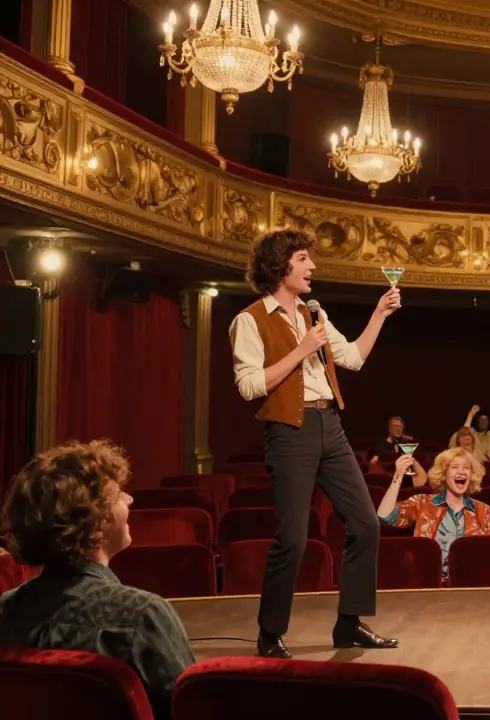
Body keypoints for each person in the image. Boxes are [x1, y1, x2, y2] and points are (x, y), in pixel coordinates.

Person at [229, 228, 399, 658]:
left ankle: (349, 624)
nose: (313, 267)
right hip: (290, 433)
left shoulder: (313, 313)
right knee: (293, 539)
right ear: (280, 266)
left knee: (364, 523)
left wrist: (379, 313)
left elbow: (354, 358)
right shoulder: (249, 319)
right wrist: (302, 349)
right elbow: (249, 386)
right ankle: (270, 634)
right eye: (304, 259)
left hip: (330, 425)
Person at [0, 441, 195, 720]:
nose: (129, 500)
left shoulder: (5, 610)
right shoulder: (142, 615)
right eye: (117, 496)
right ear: (95, 521)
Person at [377, 450, 490, 576]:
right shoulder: (422, 503)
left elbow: (489, 556)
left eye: (466, 468)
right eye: (455, 467)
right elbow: (385, 516)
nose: (461, 472)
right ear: (444, 475)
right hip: (429, 582)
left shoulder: (484, 511)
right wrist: (398, 476)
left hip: (469, 583)